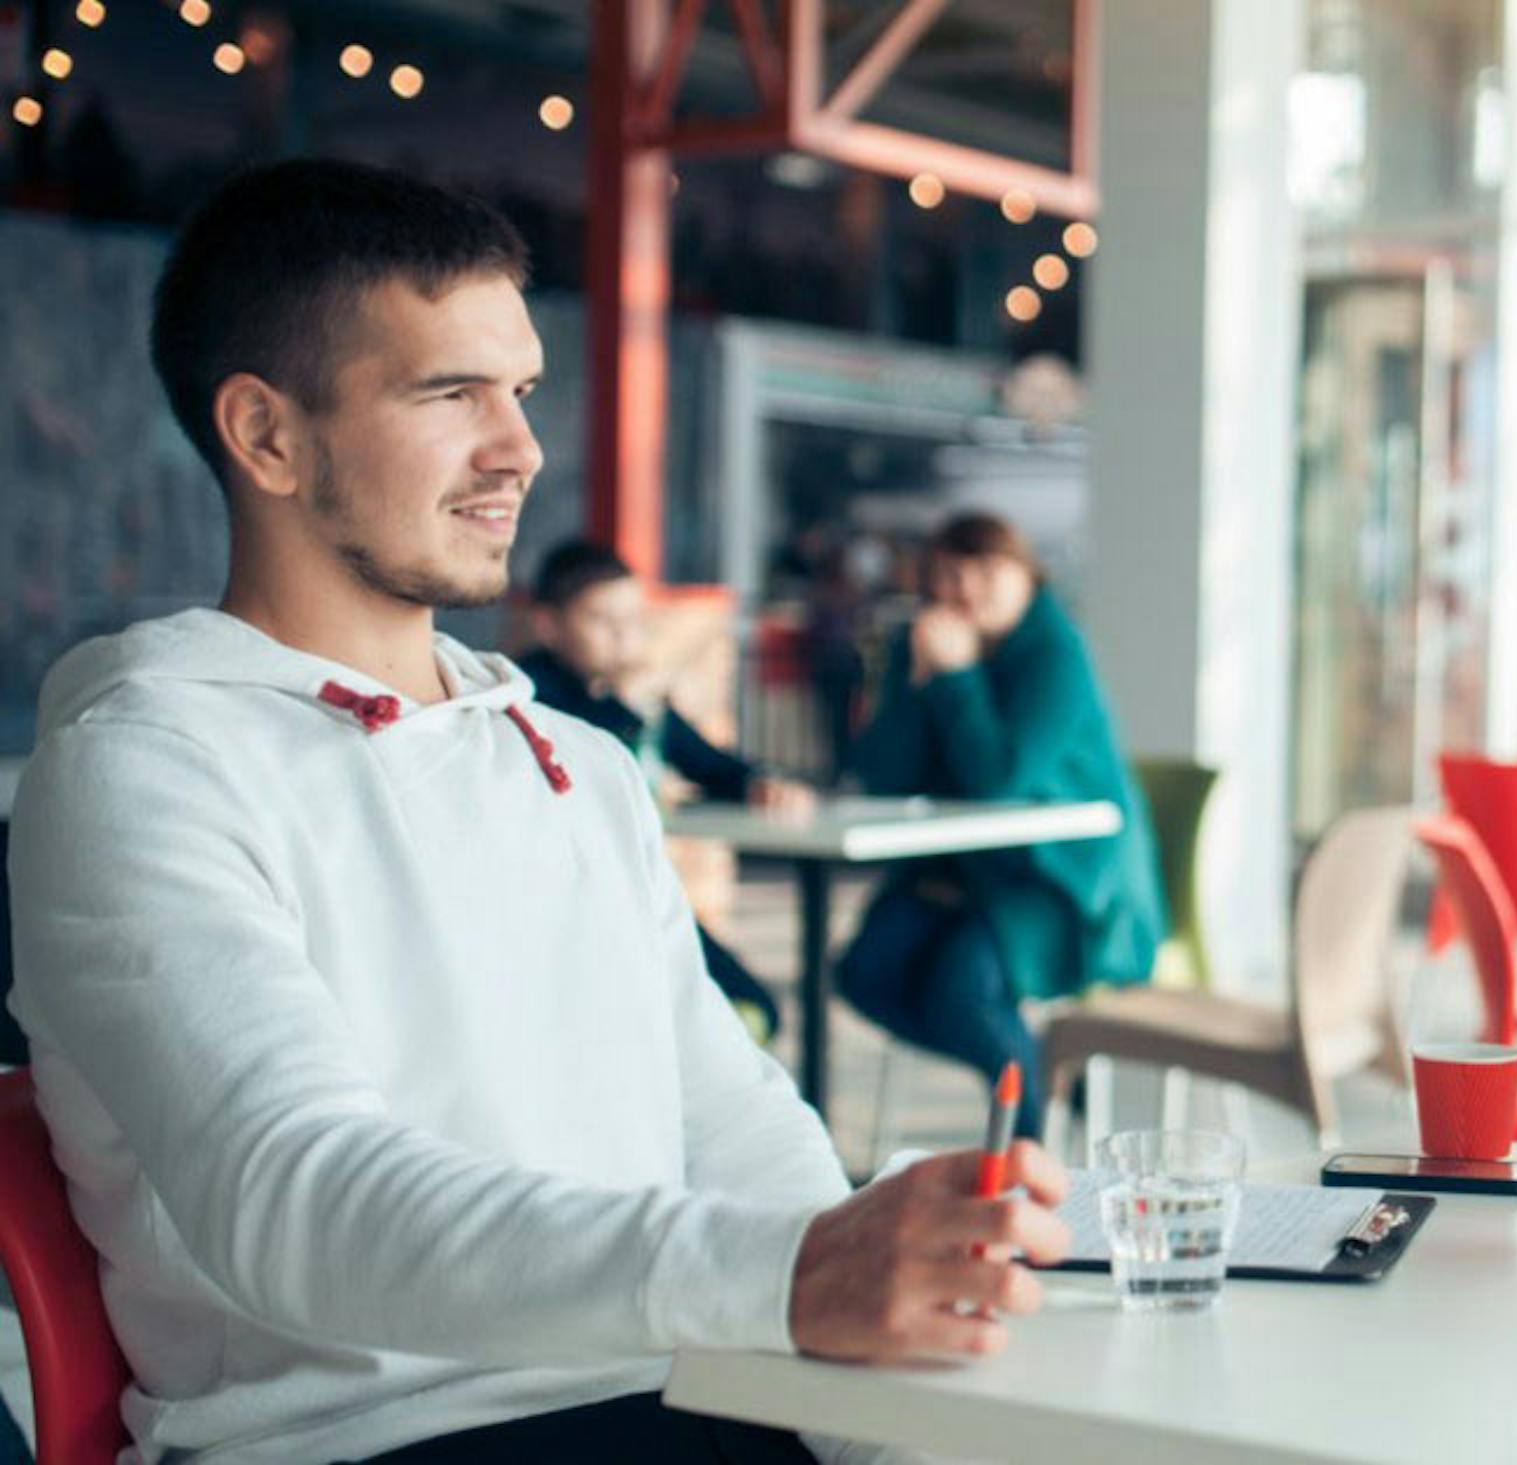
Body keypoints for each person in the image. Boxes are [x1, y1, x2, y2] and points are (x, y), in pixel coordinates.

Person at [6, 159, 1070, 1464]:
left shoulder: (574, 759)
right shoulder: (146, 763)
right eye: (450, 393)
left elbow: (732, 1121)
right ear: (268, 435)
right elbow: (296, 1196)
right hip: (372, 1441)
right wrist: (781, 1281)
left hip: (678, 1400)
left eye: (518, 390)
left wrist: (870, 1409)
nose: (520, 448)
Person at [840, 511, 1163, 1139]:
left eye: (986, 569)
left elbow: (1000, 779)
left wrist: (957, 678)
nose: (965, 588)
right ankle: (1025, 1064)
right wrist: (917, 682)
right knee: (866, 970)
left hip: (1064, 882)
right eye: (948, 573)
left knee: (959, 987)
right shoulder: (930, 645)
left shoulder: (1054, 654)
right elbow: (882, 774)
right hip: (969, 874)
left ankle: (1028, 1141)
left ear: (1026, 575)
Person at [519, 537, 816, 1040]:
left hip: (646, 898)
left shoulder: (638, 700)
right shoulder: (527, 693)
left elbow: (707, 762)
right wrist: (626, 710)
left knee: (753, 1008)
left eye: (634, 622)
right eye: (602, 621)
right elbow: (576, 769)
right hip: (566, 914)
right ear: (549, 624)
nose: (624, 638)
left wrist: (759, 783)